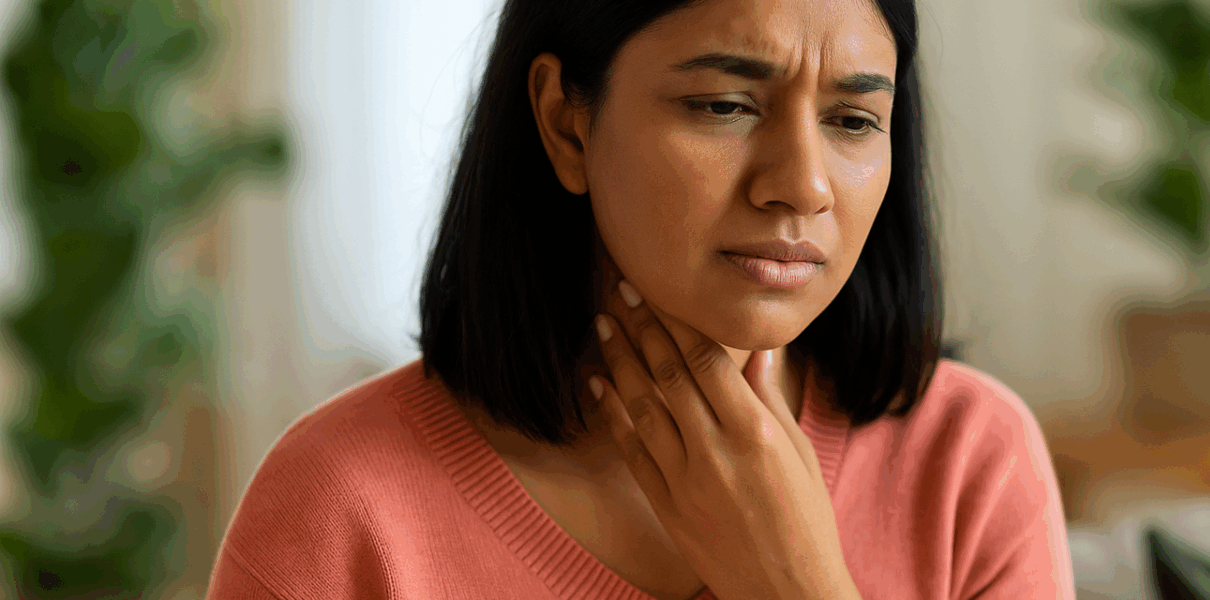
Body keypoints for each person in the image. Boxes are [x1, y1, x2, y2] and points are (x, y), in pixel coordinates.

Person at [206, 0, 1076, 598]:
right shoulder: (341, 505)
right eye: (726, 105)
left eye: (852, 121)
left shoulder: (972, 464)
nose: (803, 186)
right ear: (564, 120)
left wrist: (797, 585)